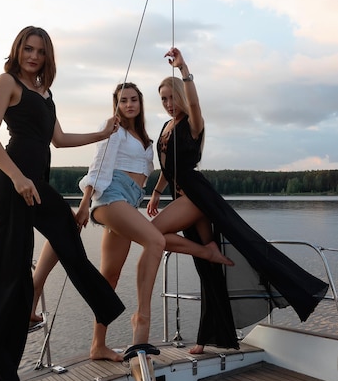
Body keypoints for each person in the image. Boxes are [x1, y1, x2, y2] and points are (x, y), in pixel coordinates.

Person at [0, 26, 125, 381]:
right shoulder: (7, 82)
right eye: (28, 49)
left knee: (69, 235)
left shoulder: (45, 93)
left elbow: (60, 139)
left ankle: (105, 307)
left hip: (36, 184)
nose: (33, 56)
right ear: (18, 50)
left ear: (48, 57)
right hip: (11, 183)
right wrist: (18, 178)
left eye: (40, 51)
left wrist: (102, 134)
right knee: (5, 271)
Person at [31, 82, 231, 362]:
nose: (129, 105)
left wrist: (157, 192)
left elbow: (165, 166)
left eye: (133, 99)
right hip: (111, 196)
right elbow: (98, 164)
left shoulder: (144, 136)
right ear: (117, 105)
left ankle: (97, 345)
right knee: (155, 240)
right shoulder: (113, 128)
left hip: (129, 201)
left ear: (140, 103)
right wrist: (86, 202)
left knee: (110, 276)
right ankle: (142, 320)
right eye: (123, 100)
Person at [148, 47, 329, 354]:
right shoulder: (164, 128)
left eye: (171, 97)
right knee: (208, 268)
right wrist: (155, 191)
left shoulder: (192, 122)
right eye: (163, 99)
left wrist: (184, 70)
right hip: (178, 197)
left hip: (195, 197)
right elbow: (167, 165)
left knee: (152, 233)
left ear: (180, 95)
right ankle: (213, 336)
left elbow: (194, 102)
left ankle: (294, 287)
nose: (167, 104)